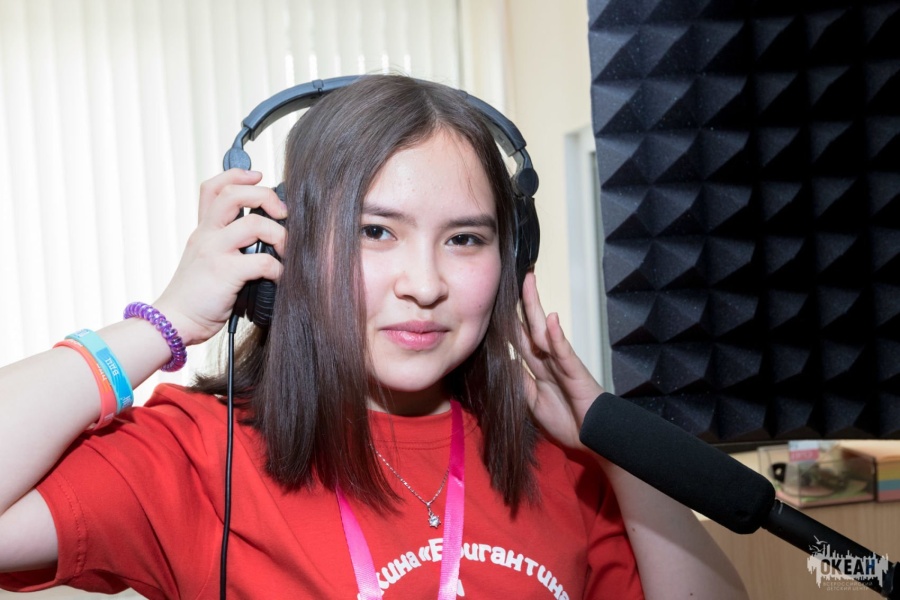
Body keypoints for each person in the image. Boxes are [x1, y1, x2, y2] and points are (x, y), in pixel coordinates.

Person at [0, 75, 748, 599]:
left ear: (512, 257)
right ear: (286, 247)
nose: (424, 283)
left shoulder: (563, 464)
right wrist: (164, 323)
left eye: (464, 239)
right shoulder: (197, 454)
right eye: (376, 231)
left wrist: (616, 453)